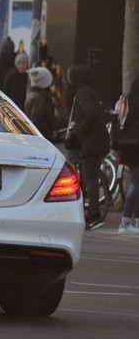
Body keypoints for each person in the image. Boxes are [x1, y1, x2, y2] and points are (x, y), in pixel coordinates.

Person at [66, 64, 110, 230]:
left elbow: (90, 113)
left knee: (90, 179)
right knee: (90, 176)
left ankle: (94, 214)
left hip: (92, 141)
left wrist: (79, 131)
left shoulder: (83, 94)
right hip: (96, 140)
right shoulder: (88, 91)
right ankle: (92, 212)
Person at [114, 75, 139, 234]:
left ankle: (136, 222)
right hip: (137, 145)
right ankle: (125, 222)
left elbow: (117, 121)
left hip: (127, 146)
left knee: (137, 182)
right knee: (135, 184)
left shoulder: (124, 100)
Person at [25, 67, 56, 141]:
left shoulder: (33, 94)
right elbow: (36, 121)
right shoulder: (38, 98)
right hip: (41, 139)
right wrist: (51, 133)